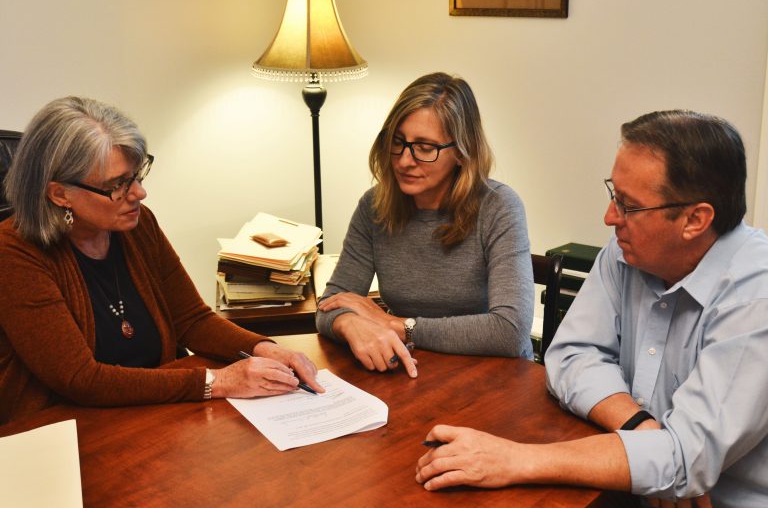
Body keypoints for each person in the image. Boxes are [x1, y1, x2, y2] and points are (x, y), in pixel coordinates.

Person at [415, 109, 768, 507]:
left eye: (629, 206)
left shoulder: (757, 296)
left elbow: (685, 461)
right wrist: (639, 427)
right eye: (613, 194)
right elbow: (570, 353)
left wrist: (516, 458)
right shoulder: (626, 252)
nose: (610, 218)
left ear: (695, 220)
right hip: (631, 488)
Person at [0, 96, 323, 425]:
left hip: (158, 413)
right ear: (59, 194)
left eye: (137, 175)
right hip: (70, 431)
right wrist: (218, 381)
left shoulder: (137, 225)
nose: (139, 193)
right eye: (117, 185)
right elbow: (82, 379)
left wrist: (264, 348)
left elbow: (192, 320)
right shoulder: (13, 253)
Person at [315, 72, 534, 378]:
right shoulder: (374, 206)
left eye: (425, 148)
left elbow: (509, 331)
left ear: (461, 151)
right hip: (411, 370)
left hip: (492, 378)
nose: (405, 161)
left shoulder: (499, 207)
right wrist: (348, 322)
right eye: (398, 142)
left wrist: (397, 325)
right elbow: (331, 305)